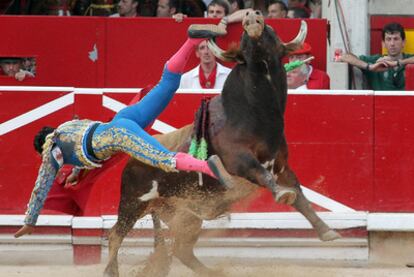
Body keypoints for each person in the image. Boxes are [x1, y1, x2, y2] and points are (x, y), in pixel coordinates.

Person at [14, 25, 234, 238]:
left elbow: (40, 189)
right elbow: (82, 147)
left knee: (164, 159)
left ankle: (210, 167)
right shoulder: (68, 127)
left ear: (44, 146)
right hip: (122, 119)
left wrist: (29, 222)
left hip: (117, 135)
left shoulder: (52, 152)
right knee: (167, 84)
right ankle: (192, 40)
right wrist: (77, 171)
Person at [337, 22, 414, 90]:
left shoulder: (409, 59)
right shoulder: (375, 61)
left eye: (396, 39)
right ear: (383, 43)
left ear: (403, 42)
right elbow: (344, 56)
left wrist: (398, 63)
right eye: (388, 39)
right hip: (381, 105)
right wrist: (370, 67)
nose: (392, 44)